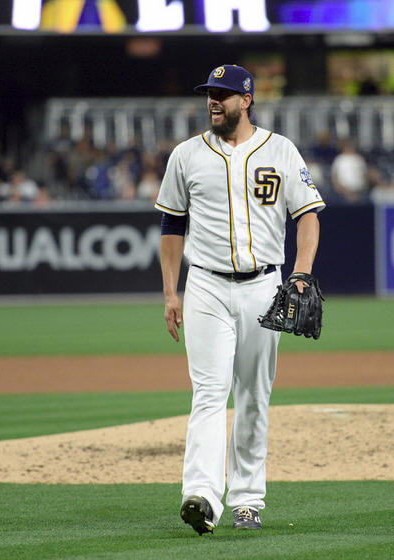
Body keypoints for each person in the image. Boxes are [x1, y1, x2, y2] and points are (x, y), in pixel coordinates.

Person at [155, 64, 325, 533]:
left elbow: (308, 215)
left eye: (223, 94)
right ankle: (201, 496)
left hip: (264, 286)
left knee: (253, 395)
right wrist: (170, 292)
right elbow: (172, 225)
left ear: (246, 100)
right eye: (210, 93)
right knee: (209, 392)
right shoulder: (186, 155)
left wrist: (302, 271)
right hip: (205, 286)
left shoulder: (281, 149)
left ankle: (247, 500)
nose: (213, 101)